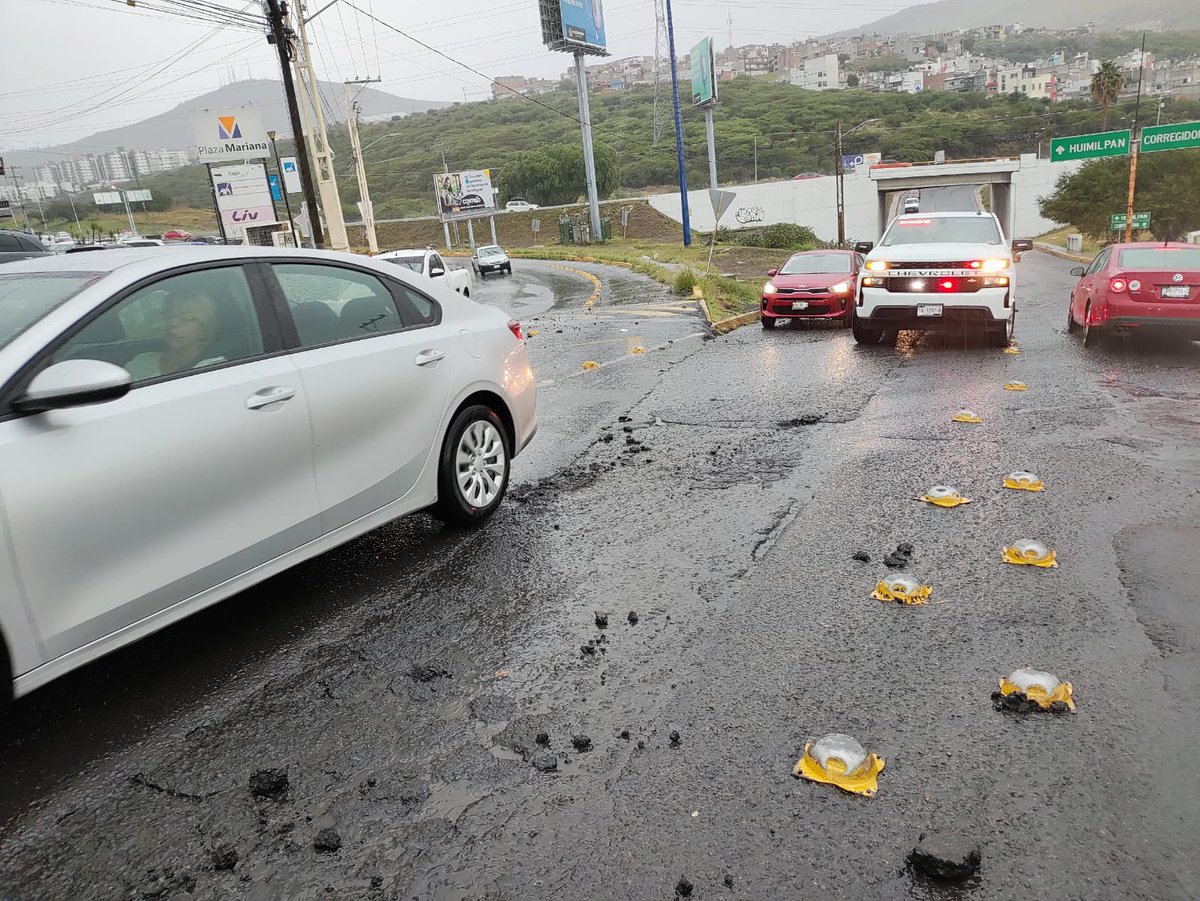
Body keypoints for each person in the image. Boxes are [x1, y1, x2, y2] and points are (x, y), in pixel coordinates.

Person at [125, 291, 225, 379]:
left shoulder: (216, 369)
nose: (173, 323)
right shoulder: (141, 362)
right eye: (169, 317)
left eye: (185, 319)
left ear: (205, 328)